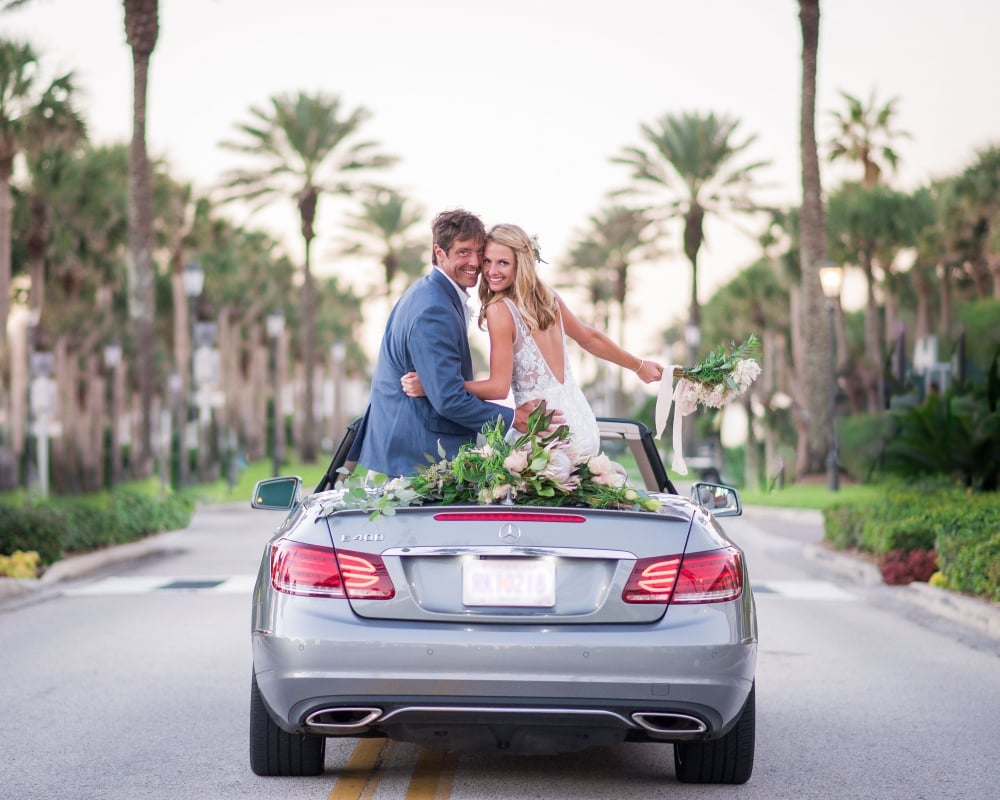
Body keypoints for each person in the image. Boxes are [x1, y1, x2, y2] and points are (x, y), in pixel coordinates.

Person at [401, 223, 663, 459]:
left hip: (544, 431)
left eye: (503, 263)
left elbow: (497, 388)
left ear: (520, 264)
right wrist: (638, 366)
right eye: (487, 262)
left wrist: (435, 386)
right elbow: (590, 338)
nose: (491, 271)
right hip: (582, 424)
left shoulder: (500, 310)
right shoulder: (548, 297)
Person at [353, 210, 550, 477]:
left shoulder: (428, 293)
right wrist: (513, 419)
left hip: (408, 448)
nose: (475, 262)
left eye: (479, 252)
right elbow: (448, 399)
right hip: (416, 455)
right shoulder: (434, 309)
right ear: (440, 252)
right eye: (463, 252)